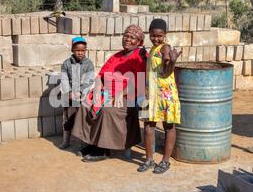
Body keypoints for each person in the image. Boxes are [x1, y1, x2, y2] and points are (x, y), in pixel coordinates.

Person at [72, 25, 147, 162]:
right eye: (126, 36)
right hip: (106, 92)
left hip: (127, 96)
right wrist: (96, 91)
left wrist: (119, 94)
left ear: (139, 42)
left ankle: (104, 149)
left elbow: (139, 83)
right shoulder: (116, 56)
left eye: (132, 38)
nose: (127, 39)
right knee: (86, 104)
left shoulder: (140, 58)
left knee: (107, 110)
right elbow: (100, 76)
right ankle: (92, 143)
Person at [138, 18, 181, 174]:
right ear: (149, 34)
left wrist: (173, 61)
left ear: (165, 35)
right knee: (148, 125)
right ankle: (149, 159)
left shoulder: (165, 48)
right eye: (153, 35)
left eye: (160, 36)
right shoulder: (152, 50)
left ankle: (165, 161)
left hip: (165, 93)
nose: (156, 39)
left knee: (168, 125)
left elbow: (167, 71)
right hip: (150, 92)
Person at [59, 36, 95, 150]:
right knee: (67, 118)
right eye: (77, 50)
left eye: (82, 50)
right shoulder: (66, 64)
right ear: (72, 50)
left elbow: (89, 80)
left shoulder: (89, 63)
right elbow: (64, 79)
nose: (80, 53)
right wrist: (69, 92)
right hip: (69, 95)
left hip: (82, 96)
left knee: (82, 119)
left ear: (85, 50)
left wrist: (80, 92)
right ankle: (66, 140)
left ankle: (83, 142)